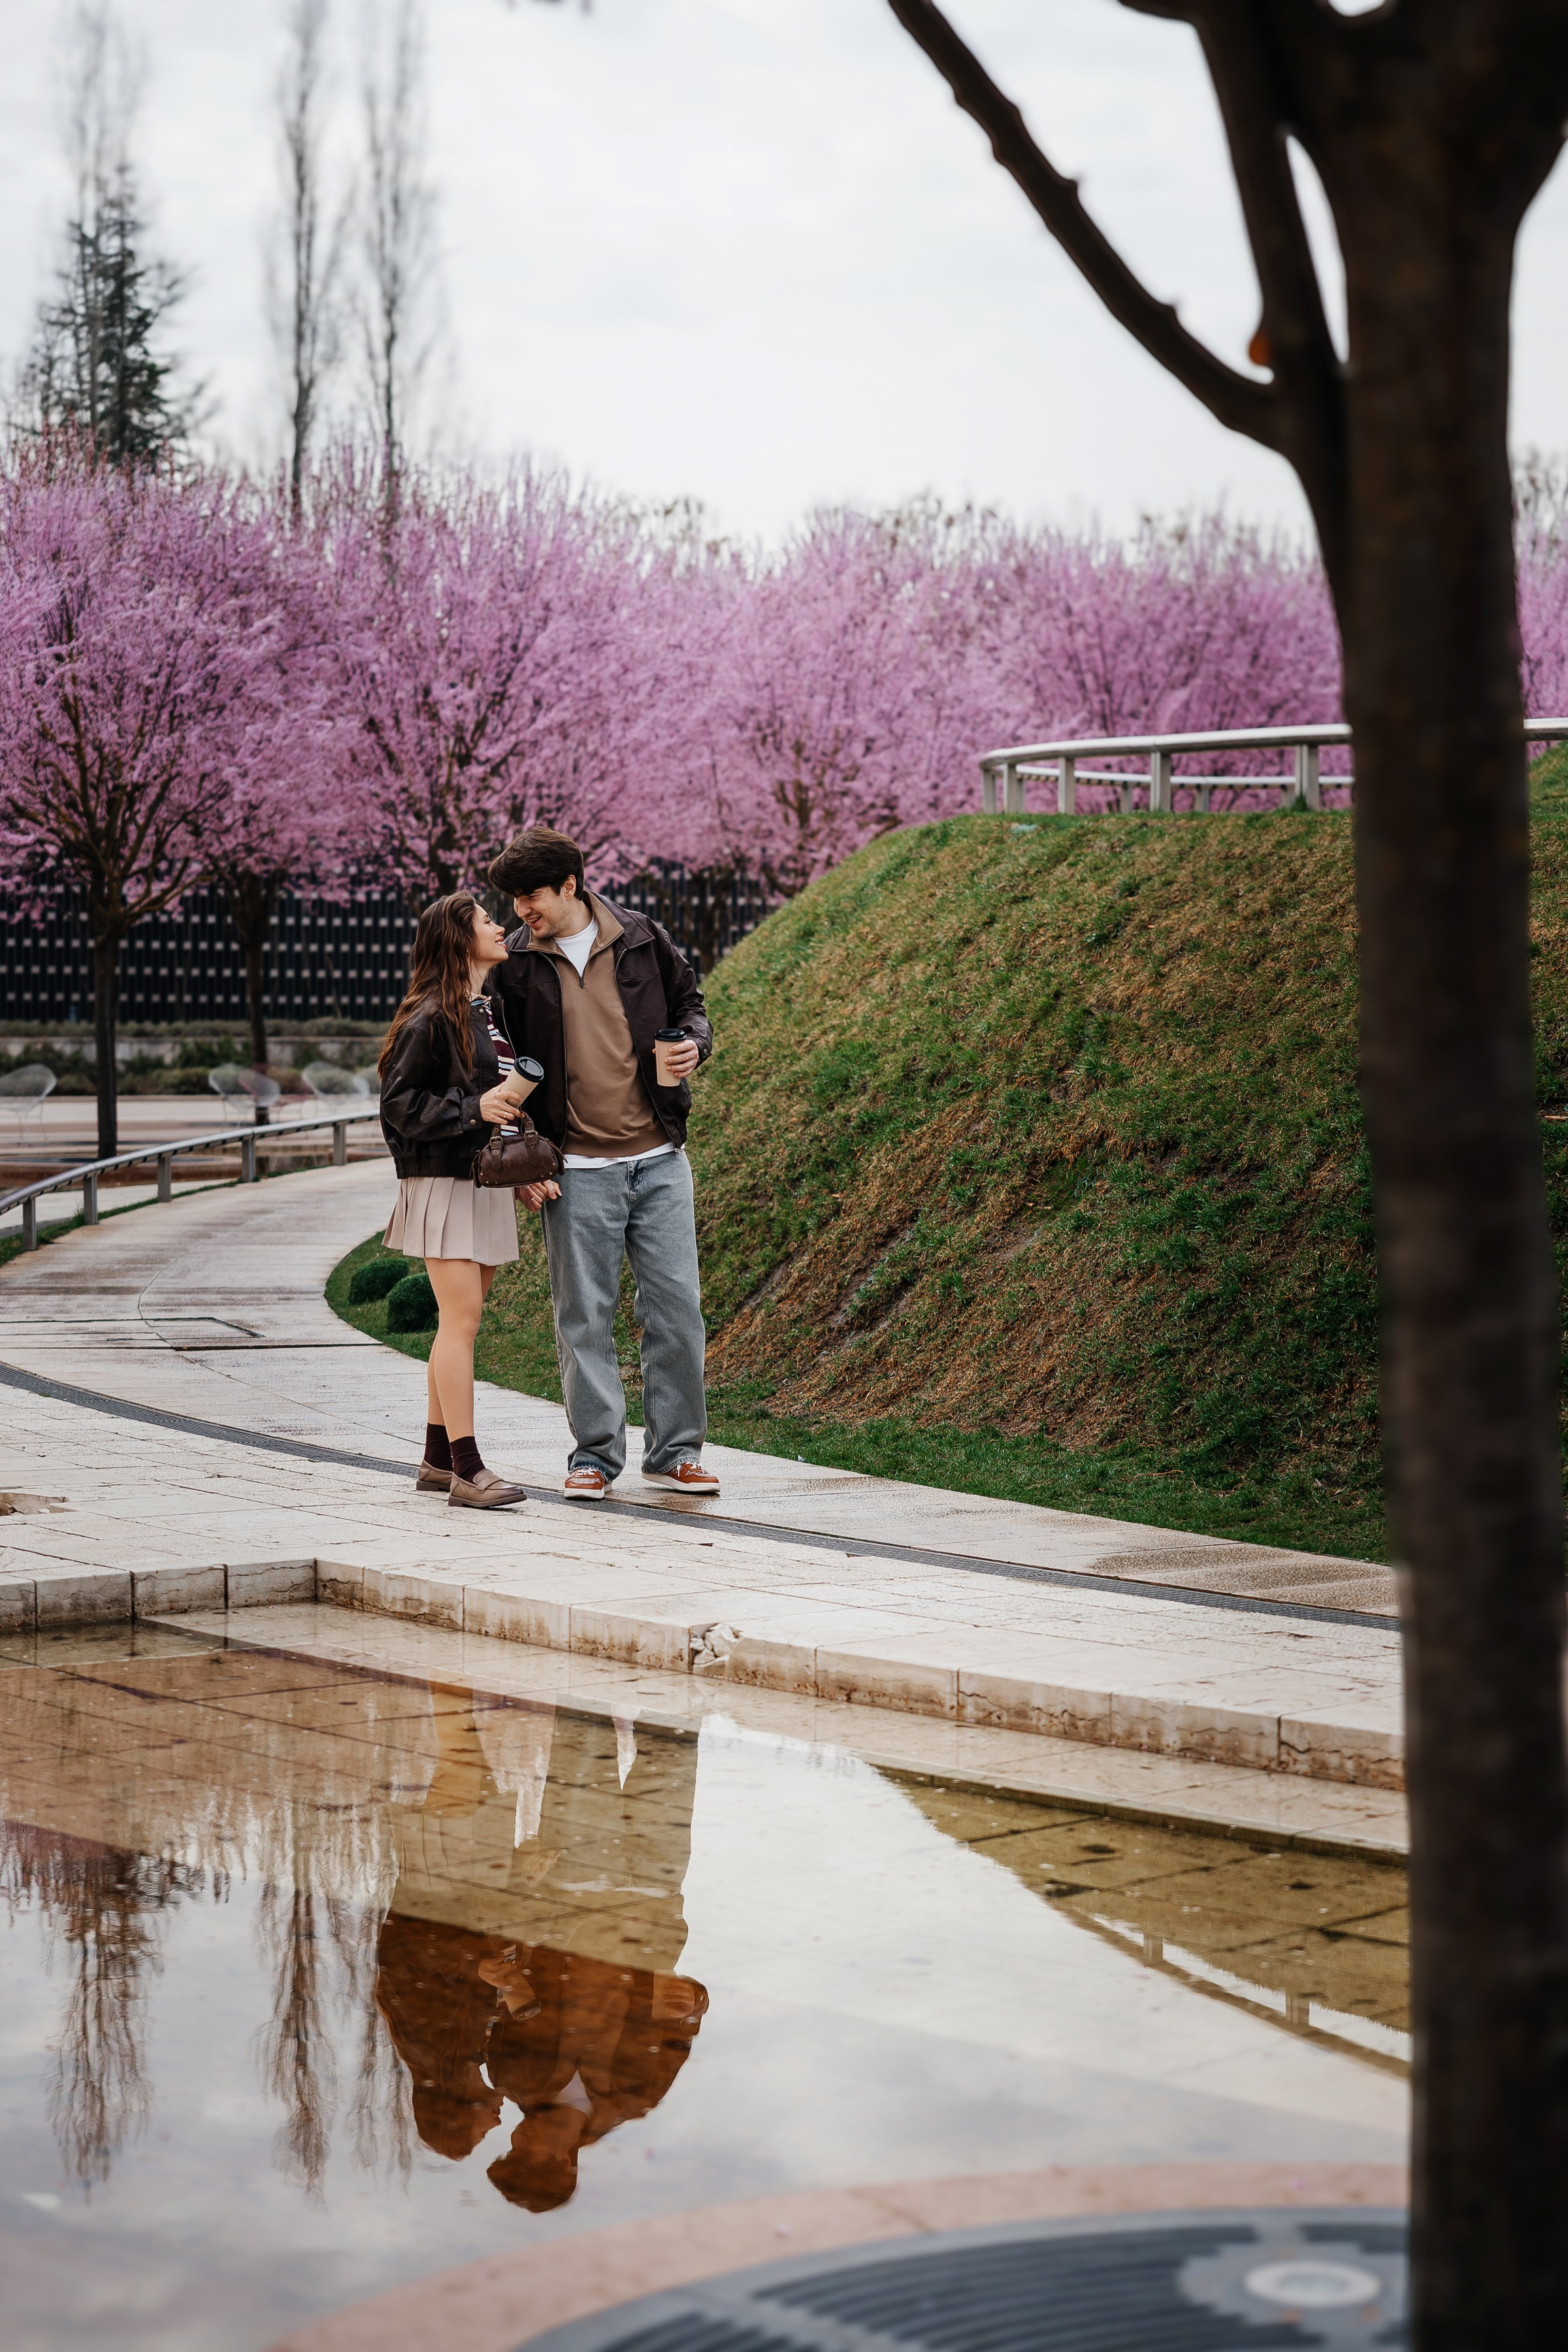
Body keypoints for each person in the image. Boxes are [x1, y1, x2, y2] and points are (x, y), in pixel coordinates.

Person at [485, 825, 718, 1501]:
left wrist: (694, 1044)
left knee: (677, 1312)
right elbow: (499, 1064)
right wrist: (523, 1158)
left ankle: (675, 1454)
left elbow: (690, 1004)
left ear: (570, 885)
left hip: (661, 1160)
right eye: (513, 900)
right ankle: (593, 1457)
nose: (521, 911)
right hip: (576, 1170)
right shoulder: (514, 964)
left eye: (532, 897)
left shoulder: (641, 936)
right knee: (584, 1316)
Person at [378, 891, 531, 1509]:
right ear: (458, 939)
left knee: (458, 1324)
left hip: (482, 1179)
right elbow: (398, 1105)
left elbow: (496, 1101)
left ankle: (438, 1461)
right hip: (444, 1182)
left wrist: (521, 1164)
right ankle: (468, 1470)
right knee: (461, 1324)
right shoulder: (429, 1016)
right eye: (488, 921)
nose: (500, 926)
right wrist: (474, 1109)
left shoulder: (483, 1010)